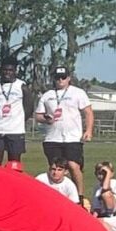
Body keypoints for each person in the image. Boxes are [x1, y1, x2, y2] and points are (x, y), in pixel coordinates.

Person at [35, 66, 93, 198]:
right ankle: (56, 197)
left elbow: (88, 112)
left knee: (73, 166)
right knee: (56, 169)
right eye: (57, 77)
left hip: (72, 138)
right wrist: (45, 119)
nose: (60, 80)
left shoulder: (78, 93)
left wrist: (88, 130)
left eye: (63, 77)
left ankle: (79, 197)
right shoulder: (47, 95)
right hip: (52, 138)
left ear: (69, 78)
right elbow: (38, 115)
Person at [0, 56, 34, 167]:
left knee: (14, 163)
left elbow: (29, 108)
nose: (7, 73)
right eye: (5, 70)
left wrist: (19, 120)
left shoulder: (22, 86)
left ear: (15, 71)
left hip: (15, 130)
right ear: (0, 70)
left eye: (10, 70)